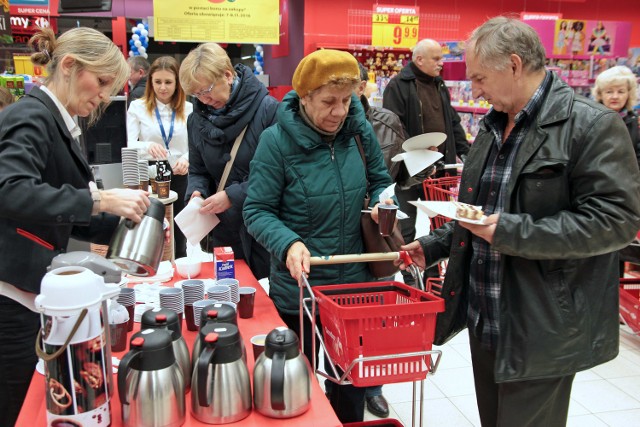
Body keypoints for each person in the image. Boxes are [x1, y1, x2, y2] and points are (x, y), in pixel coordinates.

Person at [397, 17, 640, 427]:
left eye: (478, 77)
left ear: (512, 64)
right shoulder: (492, 127)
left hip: (542, 324)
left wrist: (510, 232)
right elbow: (478, 209)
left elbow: (614, 221)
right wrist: (436, 244)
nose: (473, 89)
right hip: (485, 318)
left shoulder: (591, 126)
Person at [0, 27, 153, 426]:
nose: (103, 95)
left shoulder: (58, 119)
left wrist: (121, 223)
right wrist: (101, 199)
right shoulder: (31, 116)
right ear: (68, 65)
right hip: (9, 295)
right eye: (101, 82)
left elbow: (58, 206)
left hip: (30, 289)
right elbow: (11, 190)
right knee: (19, 406)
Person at [243, 49, 393, 424]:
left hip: (353, 290)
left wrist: (381, 202)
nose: (339, 112)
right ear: (305, 96)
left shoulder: (359, 133)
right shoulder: (276, 142)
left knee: (349, 387)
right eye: (328, 102)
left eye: (346, 101)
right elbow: (256, 210)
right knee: (301, 388)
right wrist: (289, 242)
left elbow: (380, 180)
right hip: (302, 292)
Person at [178, 42, 276, 279]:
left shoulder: (269, 110)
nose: (203, 99)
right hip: (224, 229)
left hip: (264, 226)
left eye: (207, 89)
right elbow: (199, 170)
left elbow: (277, 173)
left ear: (228, 75)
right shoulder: (196, 121)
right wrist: (196, 193)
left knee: (261, 299)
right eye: (196, 94)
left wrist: (232, 196)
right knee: (226, 292)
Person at [383, 39, 470, 263]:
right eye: (437, 58)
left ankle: (431, 272)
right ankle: (408, 271)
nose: (441, 63)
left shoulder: (439, 85)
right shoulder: (398, 85)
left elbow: (452, 123)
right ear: (419, 59)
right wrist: (418, 149)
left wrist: (467, 153)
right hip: (410, 170)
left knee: (440, 226)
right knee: (407, 226)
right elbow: (392, 126)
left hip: (439, 168)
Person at [353, 61, 405, 418]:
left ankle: (373, 386)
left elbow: (399, 175)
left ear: (364, 85)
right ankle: (341, 381)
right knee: (340, 313)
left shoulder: (387, 122)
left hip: (378, 223)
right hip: (337, 228)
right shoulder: (320, 124)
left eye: (355, 84)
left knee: (376, 314)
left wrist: (420, 171)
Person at [127, 56, 193, 258]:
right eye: (158, 82)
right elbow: (129, 144)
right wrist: (147, 145)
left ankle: (180, 266)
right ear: (150, 82)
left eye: (168, 82)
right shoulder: (138, 107)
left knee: (179, 228)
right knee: (152, 224)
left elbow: (195, 144)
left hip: (180, 172)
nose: (163, 88)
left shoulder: (189, 108)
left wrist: (187, 158)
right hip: (151, 173)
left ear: (177, 83)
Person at [592, 65, 640, 276]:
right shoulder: (592, 120)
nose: (615, 96)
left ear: (629, 94)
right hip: (596, 191)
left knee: (619, 248)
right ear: (600, 93)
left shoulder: (633, 123)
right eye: (609, 91)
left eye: (621, 91)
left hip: (625, 193)